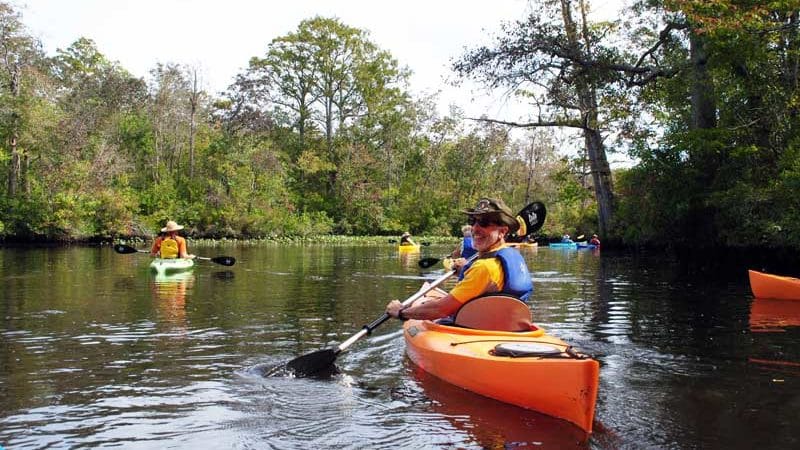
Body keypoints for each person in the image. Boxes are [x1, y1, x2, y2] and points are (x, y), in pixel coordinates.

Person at [386, 197, 533, 322]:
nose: (475, 228)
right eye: (473, 221)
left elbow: (441, 310)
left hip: (477, 332)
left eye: (484, 222)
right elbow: (491, 286)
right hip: (505, 326)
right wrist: (466, 269)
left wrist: (401, 312)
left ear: (502, 231)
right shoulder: (511, 256)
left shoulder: (484, 268)